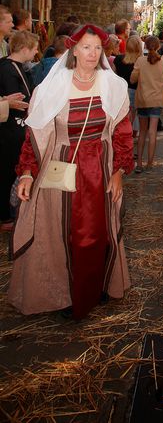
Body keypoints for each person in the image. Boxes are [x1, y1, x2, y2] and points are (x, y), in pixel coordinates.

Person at [9, 24, 134, 318]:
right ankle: (64, 293)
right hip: (61, 168)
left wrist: (118, 172)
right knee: (58, 232)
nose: (92, 54)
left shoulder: (113, 86)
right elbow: (34, 135)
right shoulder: (51, 87)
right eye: (86, 47)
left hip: (100, 168)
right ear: (73, 49)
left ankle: (94, 289)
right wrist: (27, 172)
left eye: (98, 48)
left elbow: (123, 134)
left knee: (96, 233)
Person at [0, 31, 38, 229]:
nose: (36, 52)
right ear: (24, 49)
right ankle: (5, 214)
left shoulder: (16, 67)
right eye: (34, 48)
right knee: (7, 170)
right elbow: (15, 99)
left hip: (15, 127)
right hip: (9, 130)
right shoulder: (8, 69)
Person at [130, 35, 163, 173]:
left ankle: (139, 163)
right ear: (158, 46)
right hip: (157, 100)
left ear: (145, 46)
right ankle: (150, 163)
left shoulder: (140, 61)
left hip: (142, 100)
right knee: (153, 132)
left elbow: (133, 79)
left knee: (142, 132)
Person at [114, 34, 143, 136]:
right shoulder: (141, 61)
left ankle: (124, 135)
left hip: (121, 91)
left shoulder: (118, 59)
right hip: (135, 90)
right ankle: (130, 135)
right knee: (133, 115)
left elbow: (115, 75)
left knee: (124, 116)